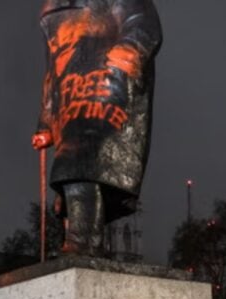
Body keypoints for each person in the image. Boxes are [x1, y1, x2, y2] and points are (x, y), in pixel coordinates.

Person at [32, 0, 162, 256]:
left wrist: (129, 50)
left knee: (80, 164)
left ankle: (81, 240)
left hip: (108, 86)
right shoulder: (52, 12)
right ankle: (84, 239)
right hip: (69, 98)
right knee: (72, 172)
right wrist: (45, 122)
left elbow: (143, 24)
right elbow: (51, 72)